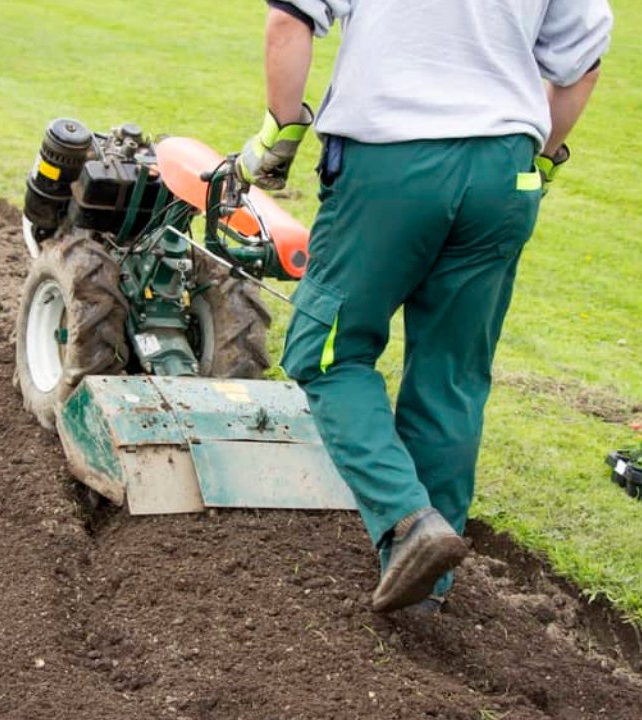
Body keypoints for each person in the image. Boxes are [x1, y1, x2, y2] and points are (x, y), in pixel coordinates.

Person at [238, 0, 612, 613]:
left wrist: (282, 131)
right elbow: (582, 65)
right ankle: (423, 595)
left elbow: (290, 19)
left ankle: (409, 521)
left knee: (328, 352)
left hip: (390, 163)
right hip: (505, 172)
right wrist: (540, 160)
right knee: (452, 377)